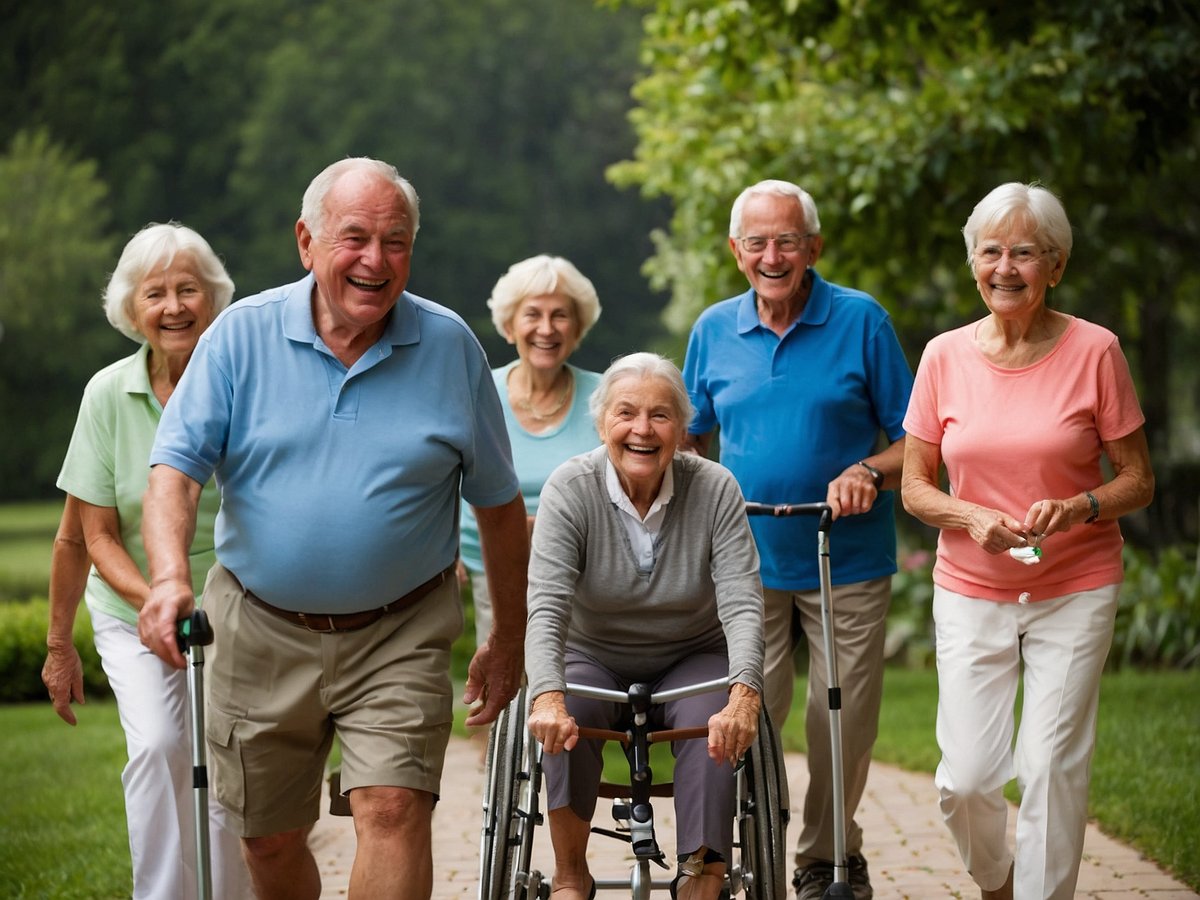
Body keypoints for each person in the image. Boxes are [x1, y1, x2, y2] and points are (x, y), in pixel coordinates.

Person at [136, 157, 530, 900]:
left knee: (392, 807)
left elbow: (500, 507)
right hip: (257, 628)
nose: (376, 262)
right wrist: (168, 579)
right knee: (271, 840)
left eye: (396, 241)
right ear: (306, 242)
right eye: (355, 238)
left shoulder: (451, 349)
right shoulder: (238, 339)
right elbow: (175, 472)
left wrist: (505, 636)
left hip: (400, 627)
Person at [901, 182, 1154, 900]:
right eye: (991, 251)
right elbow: (917, 484)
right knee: (967, 779)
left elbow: (1138, 479)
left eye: (1025, 253)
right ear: (973, 262)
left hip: (1075, 585)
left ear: (1057, 266)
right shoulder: (944, 356)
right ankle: (996, 881)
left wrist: (1081, 505)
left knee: (1049, 766)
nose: (1005, 267)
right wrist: (970, 517)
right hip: (972, 587)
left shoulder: (1095, 350)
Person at [681, 179, 914, 899]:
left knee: (837, 716)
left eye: (788, 240)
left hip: (843, 554)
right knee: (755, 707)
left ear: (814, 247)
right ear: (736, 250)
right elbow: (688, 441)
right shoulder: (713, 330)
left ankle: (827, 858)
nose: (772, 255)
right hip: (746, 557)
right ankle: (757, 838)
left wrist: (867, 472)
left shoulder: (861, 321)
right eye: (757, 241)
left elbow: (919, 443)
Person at [44, 222, 252, 899]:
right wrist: (149, 604)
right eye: (156, 293)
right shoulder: (107, 394)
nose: (174, 307)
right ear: (132, 309)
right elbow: (91, 535)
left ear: (213, 297)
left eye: (188, 289)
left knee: (229, 757)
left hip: (238, 602)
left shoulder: (242, 381)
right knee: (160, 744)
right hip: (132, 602)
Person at [526, 352, 765, 900]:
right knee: (568, 716)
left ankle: (702, 876)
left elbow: (743, 601)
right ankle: (569, 873)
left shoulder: (715, 487)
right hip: (594, 650)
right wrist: (546, 697)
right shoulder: (570, 487)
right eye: (626, 412)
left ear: (681, 428)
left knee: (715, 721)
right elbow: (547, 606)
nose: (642, 429)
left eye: (660, 415)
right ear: (602, 421)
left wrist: (744, 694)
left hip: (692, 653)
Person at [459, 254, 603, 644]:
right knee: (503, 690)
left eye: (560, 315)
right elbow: (445, 474)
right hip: (495, 570)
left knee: (579, 692)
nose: (546, 328)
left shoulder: (607, 399)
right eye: (532, 315)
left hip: (586, 575)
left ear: (577, 328)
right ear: (509, 326)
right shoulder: (478, 392)